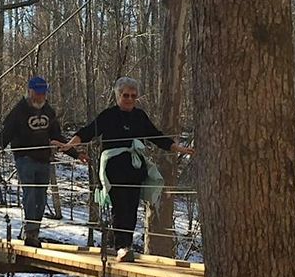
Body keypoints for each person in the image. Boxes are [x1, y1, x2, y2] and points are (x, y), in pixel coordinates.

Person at [58, 76, 194, 260]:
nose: (129, 99)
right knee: (120, 206)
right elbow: (88, 131)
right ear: (118, 95)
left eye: (133, 96)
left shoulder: (139, 116)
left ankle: (126, 245)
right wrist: (70, 144)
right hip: (115, 169)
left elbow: (156, 136)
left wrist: (178, 148)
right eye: (125, 95)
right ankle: (120, 245)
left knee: (131, 207)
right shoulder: (109, 115)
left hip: (134, 169)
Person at [0, 75, 75, 247]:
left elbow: (56, 136)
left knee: (41, 196)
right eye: (38, 93)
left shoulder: (48, 111)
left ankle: (34, 233)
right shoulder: (19, 110)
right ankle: (29, 231)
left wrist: (75, 154)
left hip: (44, 159)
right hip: (24, 157)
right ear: (30, 91)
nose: (41, 97)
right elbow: (6, 131)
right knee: (30, 193)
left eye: (44, 93)